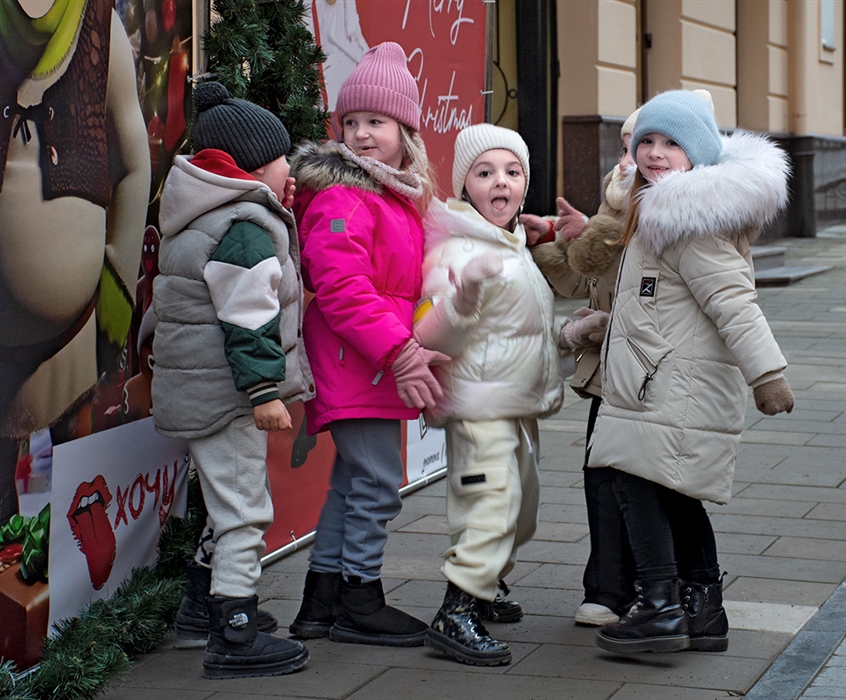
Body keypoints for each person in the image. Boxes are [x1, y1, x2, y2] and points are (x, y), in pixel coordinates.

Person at [586, 90, 794, 654]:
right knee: (677, 495)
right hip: (659, 377)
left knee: (633, 481)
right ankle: (703, 610)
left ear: (697, 154)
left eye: (671, 142)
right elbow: (661, 302)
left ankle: (660, 604)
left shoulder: (689, 220)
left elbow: (734, 303)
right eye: (646, 140)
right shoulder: (652, 208)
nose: (655, 152)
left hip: (671, 387)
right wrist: (604, 324)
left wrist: (767, 375)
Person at [151, 81, 314, 679]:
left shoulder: (202, 213)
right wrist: (265, 392)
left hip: (200, 389)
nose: (289, 171)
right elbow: (249, 320)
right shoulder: (244, 226)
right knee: (245, 508)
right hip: (229, 395)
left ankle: (203, 608)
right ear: (252, 165)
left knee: (224, 503)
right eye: (282, 161)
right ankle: (236, 633)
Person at [288, 42, 442, 648]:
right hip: (359, 362)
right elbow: (342, 288)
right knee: (377, 483)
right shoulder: (343, 196)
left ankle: (320, 603)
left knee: (353, 483)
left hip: (369, 363)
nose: (359, 133)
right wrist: (400, 351)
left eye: (374, 122)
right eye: (350, 122)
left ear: (405, 130)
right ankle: (360, 596)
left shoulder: (391, 195)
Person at [413, 124, 564, 666]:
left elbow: (521, 326)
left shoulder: (515, 242)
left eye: (512, 171)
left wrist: (570, 336)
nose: (500, 182)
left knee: (521, 508)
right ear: (464, 184)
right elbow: (430, 332)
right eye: (485, 173)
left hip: (516, 403)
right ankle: (457, 612)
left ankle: (489, 581)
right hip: (479, 404)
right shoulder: (456, 245)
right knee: (491, 503)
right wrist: (465, 295)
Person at [528, 108, 643, 627]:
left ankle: (652, 585)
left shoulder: (659, 213)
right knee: (601, 474)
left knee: (641, 479)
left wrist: (578, 233)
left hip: (647, 373)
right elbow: (582, 281)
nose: (627, 161)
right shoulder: (614, 207)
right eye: (623, 149)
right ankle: (606, 588)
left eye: (636, 148)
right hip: (608, 373)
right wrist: (555, 239)